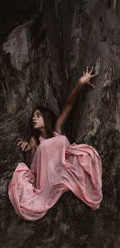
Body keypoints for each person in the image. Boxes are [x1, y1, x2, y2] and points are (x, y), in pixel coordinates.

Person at [8, 66, 103, 221]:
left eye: (37, 115)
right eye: (32, 116)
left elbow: (69, 105)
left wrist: (80, 83)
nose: (34, 118)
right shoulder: (35, 140)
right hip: (47, 179)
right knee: (45, 146)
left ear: (47, 117)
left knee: (63, 143)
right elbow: (35, 165)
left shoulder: (56, 130)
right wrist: (28, 148)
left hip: (63, 169)